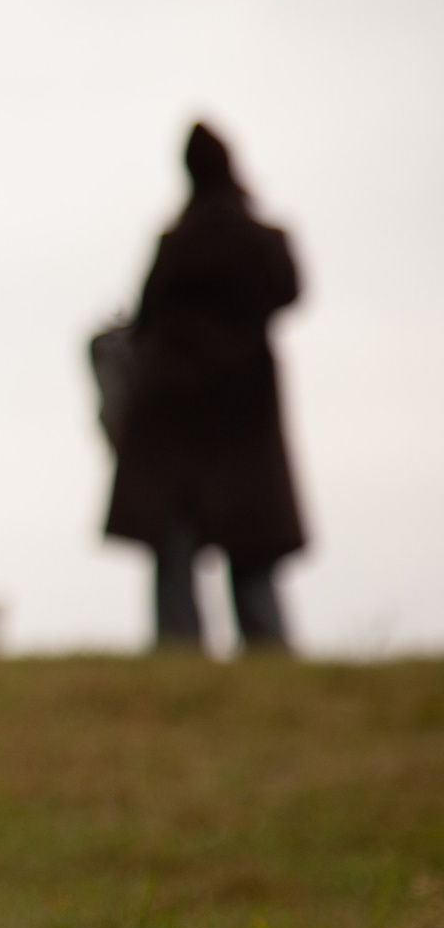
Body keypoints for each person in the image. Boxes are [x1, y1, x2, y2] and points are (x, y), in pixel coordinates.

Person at [104, 121, 306, 652]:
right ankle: (268, 652)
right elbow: (292, 291)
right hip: (245, 413)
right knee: (252, 555)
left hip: (174, 411)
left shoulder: (177, 244)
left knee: (175, 551)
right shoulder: (262, 240)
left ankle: (180, 652)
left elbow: (146, 317)